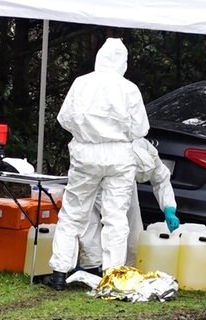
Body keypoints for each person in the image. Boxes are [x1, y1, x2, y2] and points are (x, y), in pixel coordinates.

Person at [46, 38, 150, 290]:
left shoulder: (81, 83)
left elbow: (64, 118)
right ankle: (112, 275)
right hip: (119, 157)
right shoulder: (129, 89)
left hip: (86, 153)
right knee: (115, 216)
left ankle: (60, 271)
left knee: (73, 213)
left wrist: (87, 132)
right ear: (123, 63)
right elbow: (141, 128)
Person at [78, 138, 179, 273]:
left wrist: (169, 209)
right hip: (97, 175)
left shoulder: (148, 151)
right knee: (91, 219)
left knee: (132, 222)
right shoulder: (110, 147)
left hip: (125, 181)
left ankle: (129, 266)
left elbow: (161, 180)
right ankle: (92, 266)